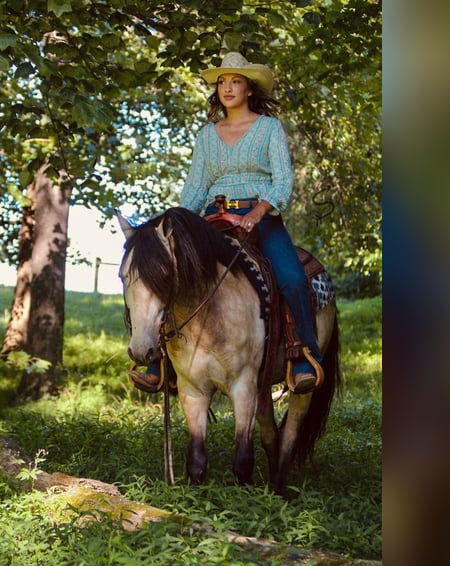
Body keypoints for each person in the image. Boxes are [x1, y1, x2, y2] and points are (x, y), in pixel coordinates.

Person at [128, 51, 323, 395]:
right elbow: (195, 189)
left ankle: (302, 354)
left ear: (249, 89)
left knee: (292, 279)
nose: (228, 88)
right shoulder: (207, 136)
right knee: (161, 271)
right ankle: (160, 362)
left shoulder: (268, 128)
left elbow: (283, 181)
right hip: (210, 222)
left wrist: (258, 212)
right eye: (222, 82)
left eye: (236, 81)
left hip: (261, 219)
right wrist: (164, 224)